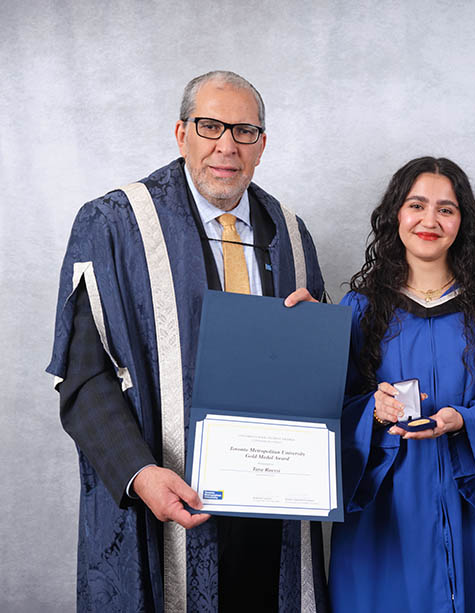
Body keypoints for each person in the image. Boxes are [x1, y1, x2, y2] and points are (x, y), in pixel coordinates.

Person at [47, 71, 328, 612]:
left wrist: (317, 338)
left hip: (273, 499)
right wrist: (140, 474)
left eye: (244, 131)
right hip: (166, 495)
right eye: (210, 126)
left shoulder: (292, 233)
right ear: (181, 134)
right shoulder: (114, 224)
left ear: (262, 146)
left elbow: (308, 372)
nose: (227, 145)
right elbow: (83, 375)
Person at [327, 156, 475, 612]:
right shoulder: (359, 309)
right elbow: (329, 407)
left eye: (446, 209)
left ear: (463, 222)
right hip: (384, 503)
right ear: (396, 215)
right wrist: (372, 410)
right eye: (417, 205)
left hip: (467, 494)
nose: (430, 220)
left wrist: (463, 418)